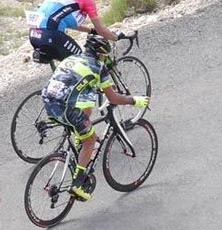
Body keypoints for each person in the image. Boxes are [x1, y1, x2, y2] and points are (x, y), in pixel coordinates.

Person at [41, 35, 149, 201]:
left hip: (48, 100)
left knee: (85, 111)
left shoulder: (72, 58)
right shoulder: (99, 67)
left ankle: (79, 140)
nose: (104, 59)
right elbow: (113, 99)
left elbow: (76, 83)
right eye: (104, 56)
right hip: (66, 107)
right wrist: (134, 100)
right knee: (90, 140)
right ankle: (77, 185)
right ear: (99, 54)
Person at [28, 0, 121, 62]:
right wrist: (117, 38)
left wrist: (90, 30)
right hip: (51, 35)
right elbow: (101, 31)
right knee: (83, 62)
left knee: (69, 65)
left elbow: (62, 19)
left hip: (34, 34)